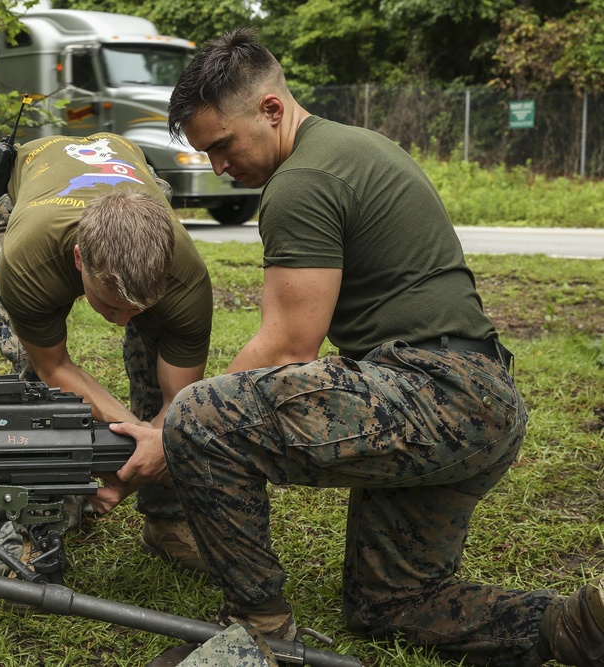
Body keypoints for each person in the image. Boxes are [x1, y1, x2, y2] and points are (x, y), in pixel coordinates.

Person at [140, 28, 603, 667]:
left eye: (222, 145)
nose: (219, 167)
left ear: (271, 109)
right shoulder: (354, 146)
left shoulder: (300, 181)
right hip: (482, 403)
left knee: (200, 416)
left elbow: (286, 348)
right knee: (389, 601)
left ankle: (259, 632)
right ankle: (572, 628)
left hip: (436, 393)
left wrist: (167, 432)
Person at [0, 133, 213, 569]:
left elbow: (178, 401)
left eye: (138, 307)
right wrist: (141, 441)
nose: (121, 320)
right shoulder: (27, 259)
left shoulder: (186, 279)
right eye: (111, 306)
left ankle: (166, 522)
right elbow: (53, 364)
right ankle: (43, 519)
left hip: (130, 169)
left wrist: (148, 453)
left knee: (156, 357)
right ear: (78, 260)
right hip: (33, 188)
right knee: (33, 378)